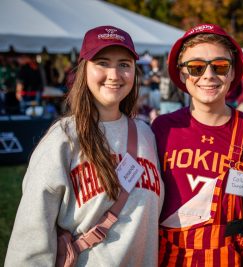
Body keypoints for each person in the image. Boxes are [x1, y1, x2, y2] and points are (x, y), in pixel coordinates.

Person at [5, 25, 164, 266]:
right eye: (102, 63)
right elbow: (31, 238)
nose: (114, 74)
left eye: (124, 64)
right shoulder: (63, 139)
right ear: (83, 70)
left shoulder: (147, 135)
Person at [151, 24, 243, 266]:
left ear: (232, 73)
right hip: (168, 258)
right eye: (196, 67)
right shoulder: (162, 128)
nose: (208, 75)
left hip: (228, 258)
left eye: (220, 66)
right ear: (182, 74)